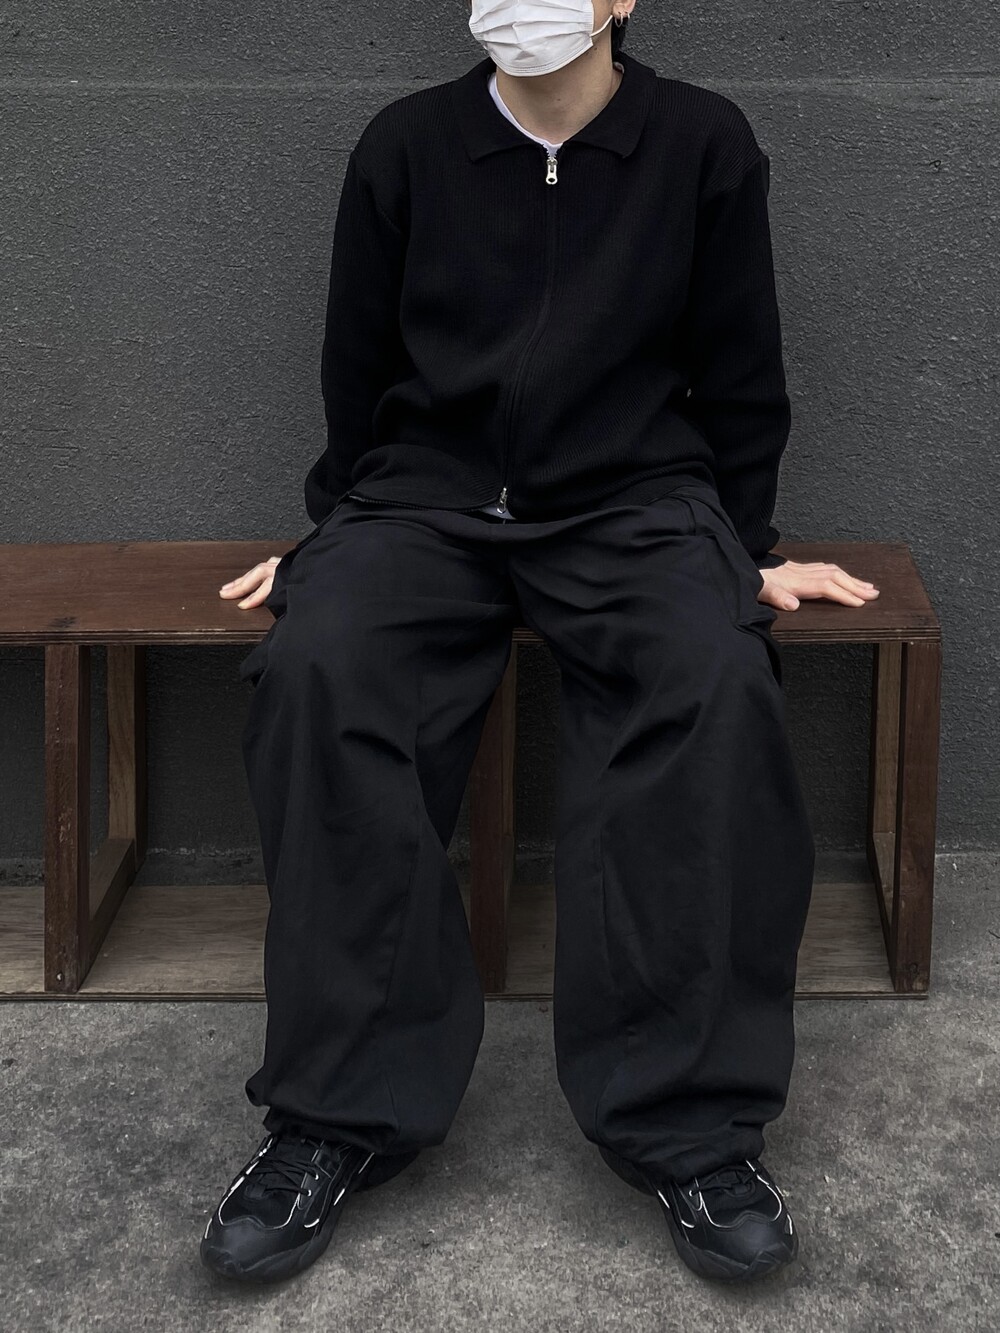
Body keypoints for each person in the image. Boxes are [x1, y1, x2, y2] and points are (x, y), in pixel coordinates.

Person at [202, 1, 879, 1287]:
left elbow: (742, 365)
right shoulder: (407, 145)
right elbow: (355, 364)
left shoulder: (701, 143)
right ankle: (332, 1115)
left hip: (635, 499)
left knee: (711, 679)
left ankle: (689, 1126)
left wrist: (745, 547)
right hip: (424, 501)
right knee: (318, 666)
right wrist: (333, 539)